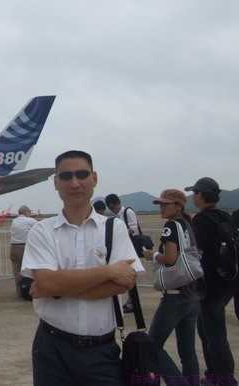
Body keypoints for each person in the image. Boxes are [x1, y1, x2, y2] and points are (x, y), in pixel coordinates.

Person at [22, 150, 143, 386]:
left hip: (101, 351)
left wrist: (57, 288)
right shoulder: (42, 230)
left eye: (82, 174)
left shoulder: (114, 228)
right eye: (66, 176)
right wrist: (108, 272)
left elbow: (125, 282)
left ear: (94, 178)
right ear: (56, 182)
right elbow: (46, 283)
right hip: (51, 349)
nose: (75, 183)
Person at [143, 190, 202, 386]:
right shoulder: (187, 224)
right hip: (192, 294)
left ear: (178, 206)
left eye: (166, 204)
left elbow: (170, 259)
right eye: (160, 204)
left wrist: (152, 255)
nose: (161, 207)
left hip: (175, 297)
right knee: (187, 350)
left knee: (152, 346)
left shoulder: (171, 226)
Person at [186, 177, 238, 386]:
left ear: (201, 195)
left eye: (195, 193)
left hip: (211, 286)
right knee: (205, 328)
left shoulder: (201, 220)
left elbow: (196, 252)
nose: (193, 197)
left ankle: (225, 379)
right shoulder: (224, 216)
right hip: (228, 281)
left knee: (215, 334)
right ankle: (213, 374)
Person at [9, 205, 37, 298]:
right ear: (26, 212)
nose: (30, 213)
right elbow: (40, 227)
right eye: (29, 212)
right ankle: (28, 291)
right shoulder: (30, 220)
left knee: (16, 271)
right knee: (28, 271)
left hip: (13, 247)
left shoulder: (14, 221)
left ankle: (19, 292)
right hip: (24, 247)